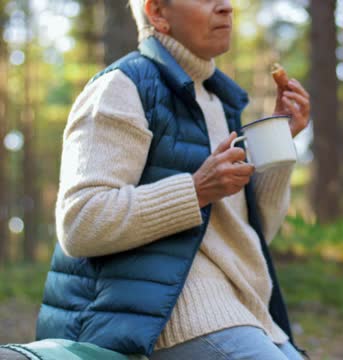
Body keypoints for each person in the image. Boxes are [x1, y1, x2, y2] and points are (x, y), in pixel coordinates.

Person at [34, 0, 310, 359]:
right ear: (157, 13)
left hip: (244, 308)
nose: (226, 6)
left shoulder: (217, 100)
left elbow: (253, 237)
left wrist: (279, 144)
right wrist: (194, 190)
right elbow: (80, 221)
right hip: (161, 320)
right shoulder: (121, 87)